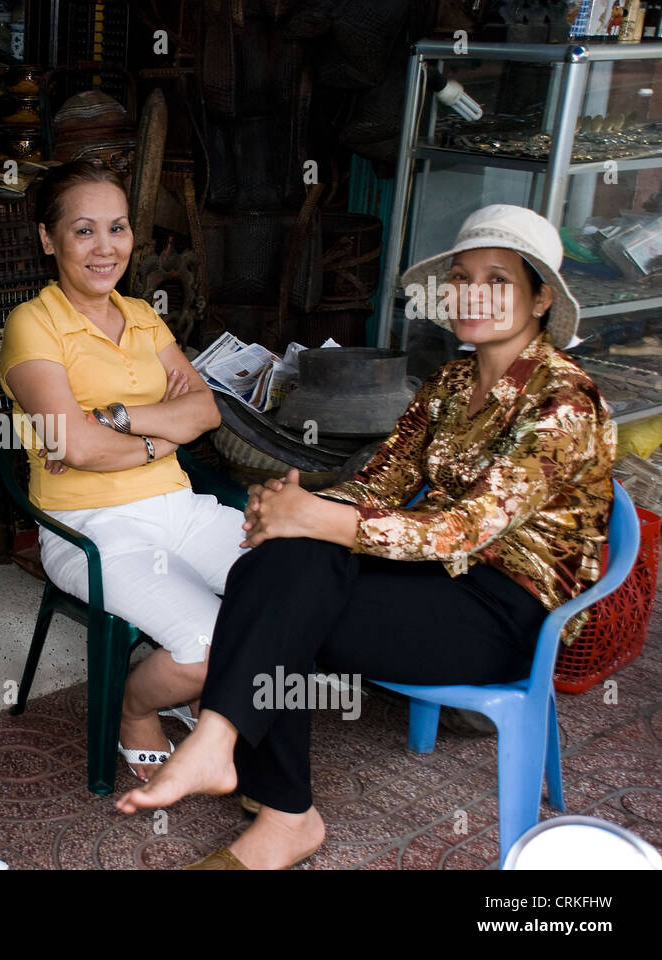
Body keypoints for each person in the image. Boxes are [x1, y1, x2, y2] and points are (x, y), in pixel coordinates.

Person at [115, 204, 616, 869]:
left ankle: (248, 772)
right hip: (436, 576)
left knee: (289, 599)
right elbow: (377, 485)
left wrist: (315, 519)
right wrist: (294, 509)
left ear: (541, 296)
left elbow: (459, 532)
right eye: (462, 277)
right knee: (279, 562)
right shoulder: (454, 382)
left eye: (497, 279)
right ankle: (263, 787)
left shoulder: (564, 402)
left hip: (509, 613)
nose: (472, 293)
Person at [0, 160, 248, 780]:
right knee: (216, 649)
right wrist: (159, 435)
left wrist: (113, 417)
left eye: (118, 228)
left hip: (180, 508)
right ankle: (135, 706)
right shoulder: (33, 325)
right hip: (93, 528)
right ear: (48, 240)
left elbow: (206, 408)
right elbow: (76, 450)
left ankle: (189, 695)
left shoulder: (143, 313)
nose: (105, 248)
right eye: (84, 231)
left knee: (289, 590)